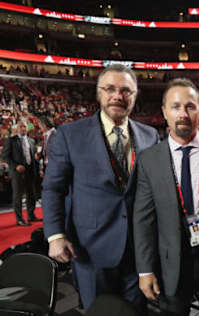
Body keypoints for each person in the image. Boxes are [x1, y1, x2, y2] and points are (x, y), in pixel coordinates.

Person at [42, 64, 159, 312]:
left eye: (126, 90)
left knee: (134, 312)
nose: (118, 96)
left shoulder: (150, 136)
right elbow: (53, 188)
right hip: (90, 249)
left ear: (135, 95)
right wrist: (55, 235)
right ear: (99, 93)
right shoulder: (70, 134)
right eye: (110, 89)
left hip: (137, 250)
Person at [133, 78, 199, 316]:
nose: (183, 113)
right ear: (164, 112)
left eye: (190, 106)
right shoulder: (149, 159)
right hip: (171, 259)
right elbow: (143, 218)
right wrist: (145, 270)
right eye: (175, 106)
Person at [1, 120, 40, 226]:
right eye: (21, 126)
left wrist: (37, 158)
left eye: (25, 126)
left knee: (31, 194)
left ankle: (31, 215)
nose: (23, 128)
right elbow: (4, 156)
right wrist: (16, 166)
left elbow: (34, 156)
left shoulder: (31, 141)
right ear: (17, 128)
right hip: (17, 172)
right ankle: (19, 219)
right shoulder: (11, 140)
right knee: (18, 196)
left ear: (27, 128)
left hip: (30, 171)